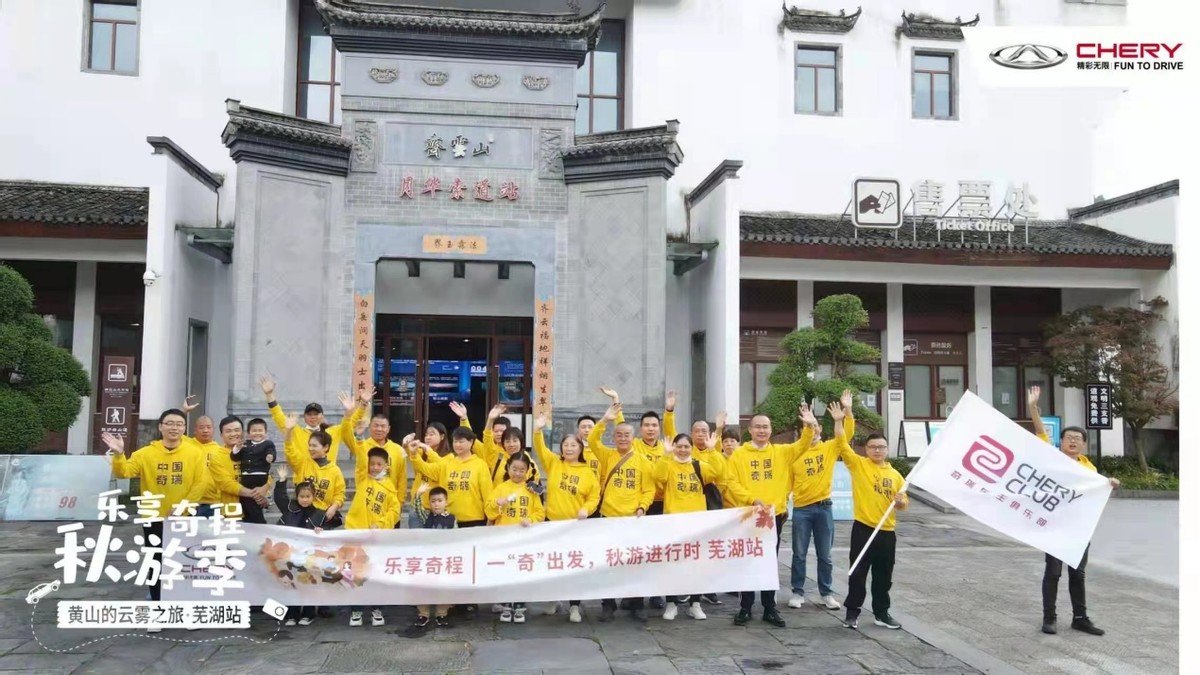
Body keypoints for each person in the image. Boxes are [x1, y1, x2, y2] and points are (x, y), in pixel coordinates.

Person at [102, 409, 212, 633]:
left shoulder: (194, 453)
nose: (174, 428)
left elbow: (200, 483)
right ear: (160, 427)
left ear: (184, 428)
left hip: (183, 518)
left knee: (185, 564)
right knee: (156, 565)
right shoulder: (145, 454)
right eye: (169, 423)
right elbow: (124, 473)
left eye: (179, 424)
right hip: (154, 517)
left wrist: (184, 506)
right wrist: (119, 455)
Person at [1028, 386, 1119, 636]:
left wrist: (1110, 483)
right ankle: (1049, 618)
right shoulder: (1052, 457)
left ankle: (1080, 618)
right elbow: (1039, 431)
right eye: (1069, 437)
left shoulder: (1089, 468)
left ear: (1084, 444)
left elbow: (1096, 492)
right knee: (1053, 573)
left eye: (1078, 438)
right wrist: (1033, 407)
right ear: (1061, 441)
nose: (1073, 440)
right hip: (1053, 526)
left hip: (1078, 530)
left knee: (1078, 574)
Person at [726, 408, 814, 628]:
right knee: (747, 560)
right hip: (748, 515)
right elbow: (732, 483)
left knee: (769, 562)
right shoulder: (739, 455)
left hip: (773, 516)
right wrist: (752, 499)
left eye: (765, 427)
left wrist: (808, 425)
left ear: (771, 430)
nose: (761, 430)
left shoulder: (782, 452)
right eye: (757, 426)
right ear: (750, 430)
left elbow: (803, 444)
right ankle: (745, 607)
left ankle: (769, 608)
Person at [653, 433, 752, 621]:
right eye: (679, 446)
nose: (683, 450)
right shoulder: (669, 465)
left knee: (696, 564)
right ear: (674, 447)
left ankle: (695, 604)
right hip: (673, 522)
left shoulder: (699, 466)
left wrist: (712, 450)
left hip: (697, 523)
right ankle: (672, 603)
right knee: (672, 564)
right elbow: (657, 476)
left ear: (691, 448)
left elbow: (719, 472)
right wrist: (665, 455)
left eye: (686, 447)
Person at [830, 401, 906, 631]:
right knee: (857, 573)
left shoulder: (896, 475)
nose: (877, 451)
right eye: (873, 447)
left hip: (887, 532)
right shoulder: (859, 465)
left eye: (881, 447)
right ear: (866, 449)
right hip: (863, 529)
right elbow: (841, 443)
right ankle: (852, 613)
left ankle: (881, 613)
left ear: (887, 449)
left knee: (884, 576)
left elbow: (903, 503)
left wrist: (900, 502)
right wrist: (841, 419)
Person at [588, 402, 656, 622]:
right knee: (608, 563)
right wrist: (605, 420)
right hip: (608, 517)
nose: (623, 438)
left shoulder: (642, 461)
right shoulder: (607, 455)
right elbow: (592, 440)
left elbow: (649, 489)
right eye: (619, 435)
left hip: (632, 519)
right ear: (614, 437)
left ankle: (636, 603)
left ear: (633, 437)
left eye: (627, 435)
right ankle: (608, 604)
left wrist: (642, 506)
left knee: (635, 563)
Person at [788, 393, 856, 611]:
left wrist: (845, 413)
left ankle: (826, 593)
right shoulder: (794, 453)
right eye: (808, 426)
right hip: (801, 509)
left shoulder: (829, 447)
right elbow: (785, 482)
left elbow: (846, 435)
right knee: (799, 554)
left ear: (820, 429)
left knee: (825, 555)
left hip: (824, 508)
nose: (813, 429)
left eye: (816, 426)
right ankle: (797, 592)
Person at [340, 392, 401, 628]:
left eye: (379, 464)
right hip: (357, 530)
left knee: (376, 571)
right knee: (356, 570)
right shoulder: (363, 465)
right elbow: (348, 435)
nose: (374, 467)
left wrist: (384, 524)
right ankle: (356, 610)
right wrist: (356, 409)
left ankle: (377, 609)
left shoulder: (390, 484)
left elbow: (395, 509)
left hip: (379, 533)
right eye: (375, 425)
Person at [532, 414, 600, 623]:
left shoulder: (587, 471)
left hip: (575, 527)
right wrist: (537, 430)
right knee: (553, 564)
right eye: (566, 445)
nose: (569, 449)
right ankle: (553, 600)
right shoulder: (554, 463)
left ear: (580, 449)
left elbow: (594, 496)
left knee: (573, 566)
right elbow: (540, 449)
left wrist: (586, 509)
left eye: (573, 445)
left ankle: (574, 606)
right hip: (552, 524)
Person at [484, 453, 545, 623]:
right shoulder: (501, 488)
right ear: (508, 468)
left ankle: (519, 607)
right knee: (505, 572)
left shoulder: (531, 490)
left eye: (522, 470)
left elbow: (540, 512)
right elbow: (489, 511)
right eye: (514, 469)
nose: (517, 473)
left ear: (527, 471)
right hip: (504, 539)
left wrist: (530, 519)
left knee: (521, 571)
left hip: (524, 540)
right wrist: (497, 504)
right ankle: (505, 606)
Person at [260, 374, 363, 463]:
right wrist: (270, 395)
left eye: (316, 414)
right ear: (304, 417)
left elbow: (349, 423)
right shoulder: (296, 432)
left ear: (322, 416)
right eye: (309, 414)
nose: (313, 417)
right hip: (304, 476)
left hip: (327, 477)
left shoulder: (333, 432)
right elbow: (279, 417)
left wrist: (360, 407)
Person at [407, 427, 493, 528]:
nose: (457, 445)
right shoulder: (446, 463)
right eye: (455, 441)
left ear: (471, 442)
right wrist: (414, 454)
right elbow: (424, 468)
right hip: (448, 520)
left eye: (461, 442)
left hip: (474, 521)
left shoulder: (480, 465)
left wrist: (490, 518)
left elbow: (488, 495)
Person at [341, 395, 407, 527]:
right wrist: (350, 413)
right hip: (366, 504)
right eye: (376, 425)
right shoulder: (362, 446)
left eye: (383, 426)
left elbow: (401, 479)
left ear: (388, 429)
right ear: (370, 427)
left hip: (389, 507)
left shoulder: (397, 450)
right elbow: (346, 435)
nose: (379, 429)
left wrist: (399, 504)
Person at [273, 465, 325, 626]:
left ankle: (309, 614)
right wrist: (282, 481)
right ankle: (292, 614)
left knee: (308, 582)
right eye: (302, 496)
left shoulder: (319, 514)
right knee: (291, 582)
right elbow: (279, 497)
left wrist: (320, 531)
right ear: (297, 496)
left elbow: (326, 534)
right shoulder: (290, 509)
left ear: (313, 497)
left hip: (309, 556)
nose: (305, 499)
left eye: (308, 496)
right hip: (290, 554)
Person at [690, 412, 731, 606]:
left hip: (710, 503)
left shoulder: (714, 451)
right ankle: (687, 589)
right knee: (689, 548)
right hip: (689, 504)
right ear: (691, 434)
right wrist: (670, 412)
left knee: (709, 548)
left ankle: (708, 589)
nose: (700, 434)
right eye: (697, 431)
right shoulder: (685, 450)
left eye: (704, 431)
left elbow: (720, 473)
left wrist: (719, 431)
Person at [283, 414, 346, 530]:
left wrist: (334, 507)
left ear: (326, 447)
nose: (310, 448)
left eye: (314, 446)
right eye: (309, 445)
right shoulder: (303, 463)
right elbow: (290, 451)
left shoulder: (335, 470)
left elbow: (339, 494)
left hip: (322, 518)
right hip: (301, 516)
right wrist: (288, 432)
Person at [413, 486, 456, 628]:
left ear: (446, 502)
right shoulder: (427, 517)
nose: (436, 504)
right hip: (428, 560)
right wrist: (418, 494)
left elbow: (458, 537)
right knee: (423, 586)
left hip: (445, 560)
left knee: (444, 586)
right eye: (433, 501)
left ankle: (441, 613)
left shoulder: (452, 519)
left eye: (439, 500)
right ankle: (423, 614)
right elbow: (418, 509)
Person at [472, 404, 540, 486]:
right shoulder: (496, 454)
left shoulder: (526, 458)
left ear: (521, 442)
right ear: (503, 443)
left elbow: (536, 482)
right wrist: (490, 419)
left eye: (515, 441)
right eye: (508, 441)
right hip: (497, 493)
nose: (511, 444)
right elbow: (486, 437)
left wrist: (530, 489)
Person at [234, 418, 276, 524]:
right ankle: (251, 523)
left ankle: (260, 523)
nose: (257, 433)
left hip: (260, 477)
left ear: (265, 432)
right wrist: (237, 448)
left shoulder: (267, 443)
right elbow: (234, 457)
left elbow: (271, 452)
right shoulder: (245, 444)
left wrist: (270, 456)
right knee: (246, 502)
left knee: (254, 502)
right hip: (245, 479)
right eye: (254, 431)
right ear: (248, 433)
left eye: (260, 430)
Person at [409, 421, 450, 528]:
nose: (427, 437)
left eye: (432, 434)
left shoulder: (449, 457)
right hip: (417, 507)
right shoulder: (422, 454)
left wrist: (428, 450)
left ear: (442, 436)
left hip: (436, 509)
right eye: (426, 434)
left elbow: (434, 470)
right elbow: (414, 459)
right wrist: (406, 445)